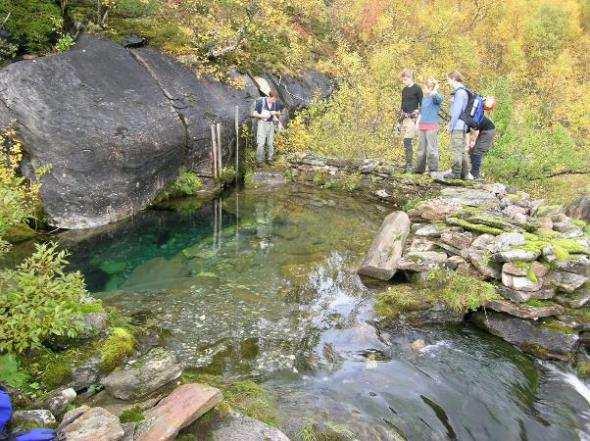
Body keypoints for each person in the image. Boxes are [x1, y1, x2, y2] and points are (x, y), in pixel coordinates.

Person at [445, 71, 471, 180]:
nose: (448, 82)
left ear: (454, 79)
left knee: (456, 149)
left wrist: (450, 125)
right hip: (463, 125)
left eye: (449, 80)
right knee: (461, 150)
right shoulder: (464, 91)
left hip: (458, 126)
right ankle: (465, 174)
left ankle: (455, 174)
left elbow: (456, 111)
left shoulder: (459, 93)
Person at [415, 77, 443, 174]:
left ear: (430, 88)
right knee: (421, 149)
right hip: (422, 126)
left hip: (431, 126)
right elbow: (421, 112)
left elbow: (439, 99)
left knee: (432, 149)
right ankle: (419, 169)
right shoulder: (423, 99)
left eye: (425, 88)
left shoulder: (436, 97)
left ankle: (433, 169)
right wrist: (417, 123)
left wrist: (435, 89)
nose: (423, 90)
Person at [399, 69, 423, 173]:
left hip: (413, 118)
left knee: (408, 139)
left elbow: (423, 105)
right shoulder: (404, 90)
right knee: (405, 141)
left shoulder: (417, 88)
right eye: (403, 79)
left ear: (410, 78)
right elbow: (402, 106)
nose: (404, 81)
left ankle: (409, 165)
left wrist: (418, 120)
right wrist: (398, 122)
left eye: (405, 79)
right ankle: (407, 163)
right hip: (404, 118)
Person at [251, 89, 283, 165]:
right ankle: (260, 161)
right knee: (261, 144)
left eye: (275, 100)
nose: (274, 101)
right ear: (270, 97)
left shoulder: (275, 103)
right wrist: (262, 115)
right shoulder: (261, 102)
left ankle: (270, 159)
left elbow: (278, 113)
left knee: (270, 143)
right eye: (274, 99)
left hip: (271, 124)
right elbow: (254, 113)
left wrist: (278, 121)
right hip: (262, 124)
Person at [468, 97, 497, 180]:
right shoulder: (475, 107)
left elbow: (475, 130)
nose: (486, 109)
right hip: (480, 129)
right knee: (470, 150)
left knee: (477, 151)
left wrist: (472, 141)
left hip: (488, 131)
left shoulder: (477, 112)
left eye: (488, 108)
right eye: (487, 108)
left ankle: (474, 175)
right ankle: (467, 171)